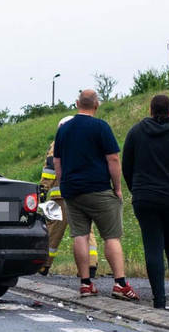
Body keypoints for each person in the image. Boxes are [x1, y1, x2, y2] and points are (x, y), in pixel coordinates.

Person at [53, 89, 139, 300]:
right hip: (99, 189)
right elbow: (113, 159)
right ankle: (119, 284)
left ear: (76, 103)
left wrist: (65, 185)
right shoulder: (101, 127)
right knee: (111, 236)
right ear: (96, 105)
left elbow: (57, 162)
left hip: (73, 192)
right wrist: (117, 188)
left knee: (80, 235)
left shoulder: (64, 130)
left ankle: (85, 284)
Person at [122, 94, 169, 311]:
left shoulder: (136, 133)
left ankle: (159, 300)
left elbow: (127, 166)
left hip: (145, 197)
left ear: (150, 110)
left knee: (153, 246)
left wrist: (135, 189)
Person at [37, 115, 100, 277]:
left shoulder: (58, 143)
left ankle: (44, 264)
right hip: (85, 193)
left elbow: (50, 168)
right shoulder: (88, 143)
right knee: (86, 230)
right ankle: (91, 265)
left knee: (53, 230)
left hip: (62, 197)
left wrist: (43, 189)